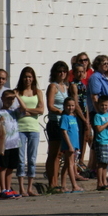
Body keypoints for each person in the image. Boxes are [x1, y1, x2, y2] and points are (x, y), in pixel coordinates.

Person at [15, 66, 45, 197]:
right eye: (25, 77)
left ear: (33, 78)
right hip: (20, 128)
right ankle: (21, 187)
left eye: (30, 77)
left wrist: (27, 110)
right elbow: (17, 110)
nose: (27, 79)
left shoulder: (37, 92)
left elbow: (41, 110)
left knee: (32, 159)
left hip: (33, 129)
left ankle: (30, 187)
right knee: (21, 159)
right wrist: (28, 110)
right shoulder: (17, 92)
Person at [0, 90, 22, 200]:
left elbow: (24, 108)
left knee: (11, 167)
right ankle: (3, 189)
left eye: (11, 99)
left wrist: (17, 96)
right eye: (7, 98)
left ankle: (9, 187)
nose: (9, 101)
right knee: (3, 166)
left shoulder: (14, 111)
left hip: (14, 143)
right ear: (2, 99)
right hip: (4, 144)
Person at [45, 61, 69, 192]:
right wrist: (61, 111)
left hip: (64, 122)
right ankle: (52, 182)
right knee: (53, 153)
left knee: (60, 154)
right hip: (55, 122)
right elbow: (50, 106)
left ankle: (56, 181)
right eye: (59, 71)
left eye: (64, 71)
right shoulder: (53, 87)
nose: (62, 74)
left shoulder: (65, 87)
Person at [59, 97, 84, 193]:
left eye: (72, 105)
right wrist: (69, 145)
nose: (70, 107)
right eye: (68, 105)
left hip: (74, 144)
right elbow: (64, 131)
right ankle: (74, 185)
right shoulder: (64, 117)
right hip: (68, 145)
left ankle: (63, 186)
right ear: (64, 106)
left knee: (66, 165)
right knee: (70, 164)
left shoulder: (73, 117)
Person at [93, 94, 108, 191]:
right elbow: (98, 129)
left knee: (105, 163)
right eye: (102, 105)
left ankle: (104, 181)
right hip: (101, 141)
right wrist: (107, 124)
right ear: (98, 105)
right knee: (100, 163)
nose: (104, 107)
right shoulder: (97, 116)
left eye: (106, 105)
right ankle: (100, 183)